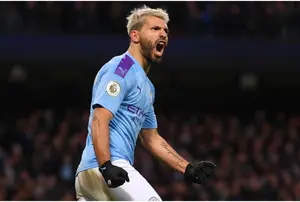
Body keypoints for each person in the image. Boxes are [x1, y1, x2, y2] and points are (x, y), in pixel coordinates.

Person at [75, 5, 216, 201]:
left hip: (93, 174)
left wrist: (187, 168)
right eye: (155, 29)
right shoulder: (122, 68)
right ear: (135, 36)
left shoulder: (147, 87)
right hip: (105, 166)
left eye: (165, 30)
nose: (163, 34)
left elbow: (151, 139)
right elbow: (99, 118)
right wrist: (106, 164)